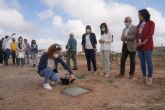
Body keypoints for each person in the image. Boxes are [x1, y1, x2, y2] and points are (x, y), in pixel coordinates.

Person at [135, 9, 155, 85]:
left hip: (147, 46)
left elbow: (150, 34)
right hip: (139, 47)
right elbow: (136, 36)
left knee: (149, 62)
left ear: (144, 15)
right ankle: (144, 77)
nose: (138, 16)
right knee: (142, 63)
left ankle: (150, 78)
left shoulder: (151, 23)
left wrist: (143, 43)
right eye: (138, 15)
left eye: (139, 15)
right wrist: (136, 43)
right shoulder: (138, 26)